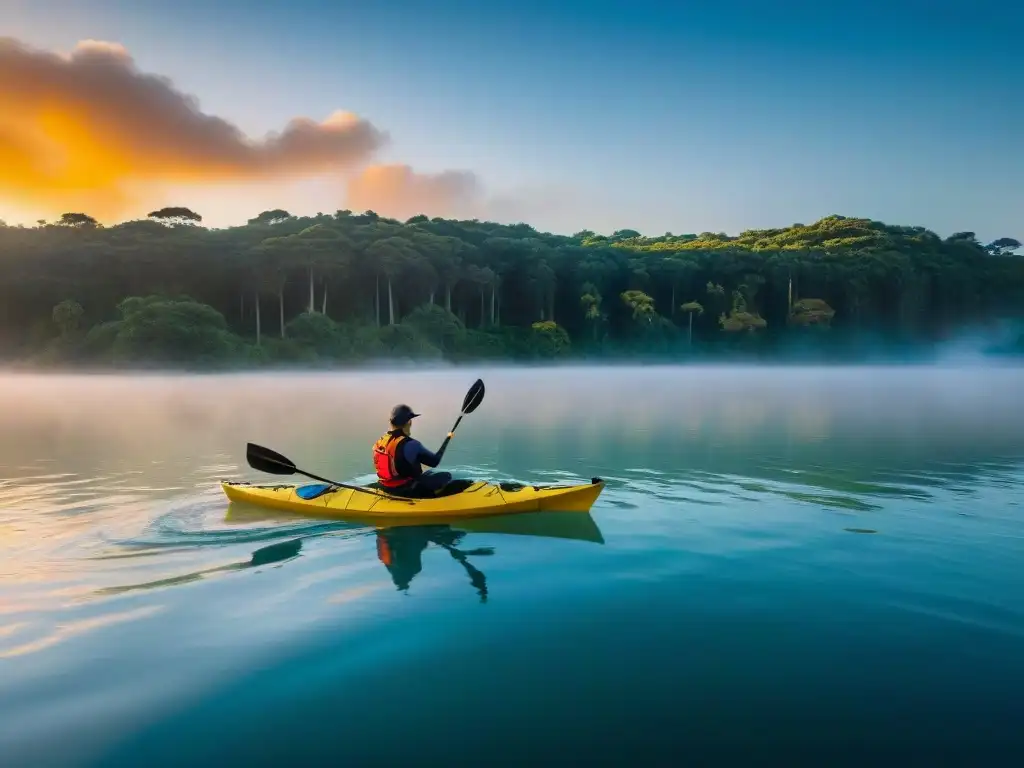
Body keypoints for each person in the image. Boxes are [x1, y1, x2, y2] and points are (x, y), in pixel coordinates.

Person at [372, 404, 453, 498]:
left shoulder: (380, 442)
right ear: (409, 422)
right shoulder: (412, 444)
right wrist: (448, 438)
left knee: (429, 473)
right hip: (407, 490)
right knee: (446, 476)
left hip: (385, 487)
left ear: (391, 422)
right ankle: (432, 498)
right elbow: (435, 461)